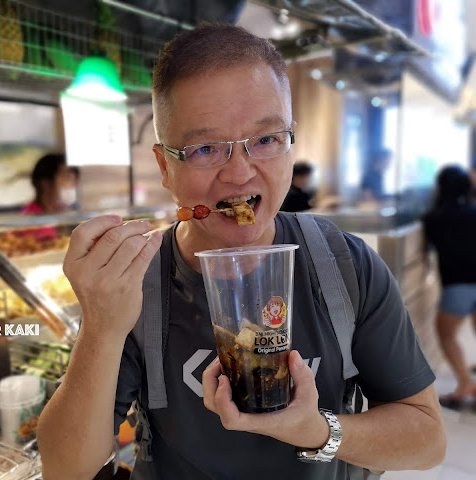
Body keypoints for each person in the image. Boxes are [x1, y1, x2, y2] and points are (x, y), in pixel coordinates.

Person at [37, 24, 445, 479]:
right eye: (204, 148)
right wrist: (100, 327)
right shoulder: (138, 284)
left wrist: (318, 430)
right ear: (164, 167)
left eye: (265, 140)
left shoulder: (343, 265)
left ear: (290, 144)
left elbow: (427, 440)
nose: (238, 172)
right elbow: (64, 469)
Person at [422, 165, 476, 409]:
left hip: (457, 285)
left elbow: (431, 247)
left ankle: (465, 383)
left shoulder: (434, 218)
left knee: (446, 335)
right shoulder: (474, 212)